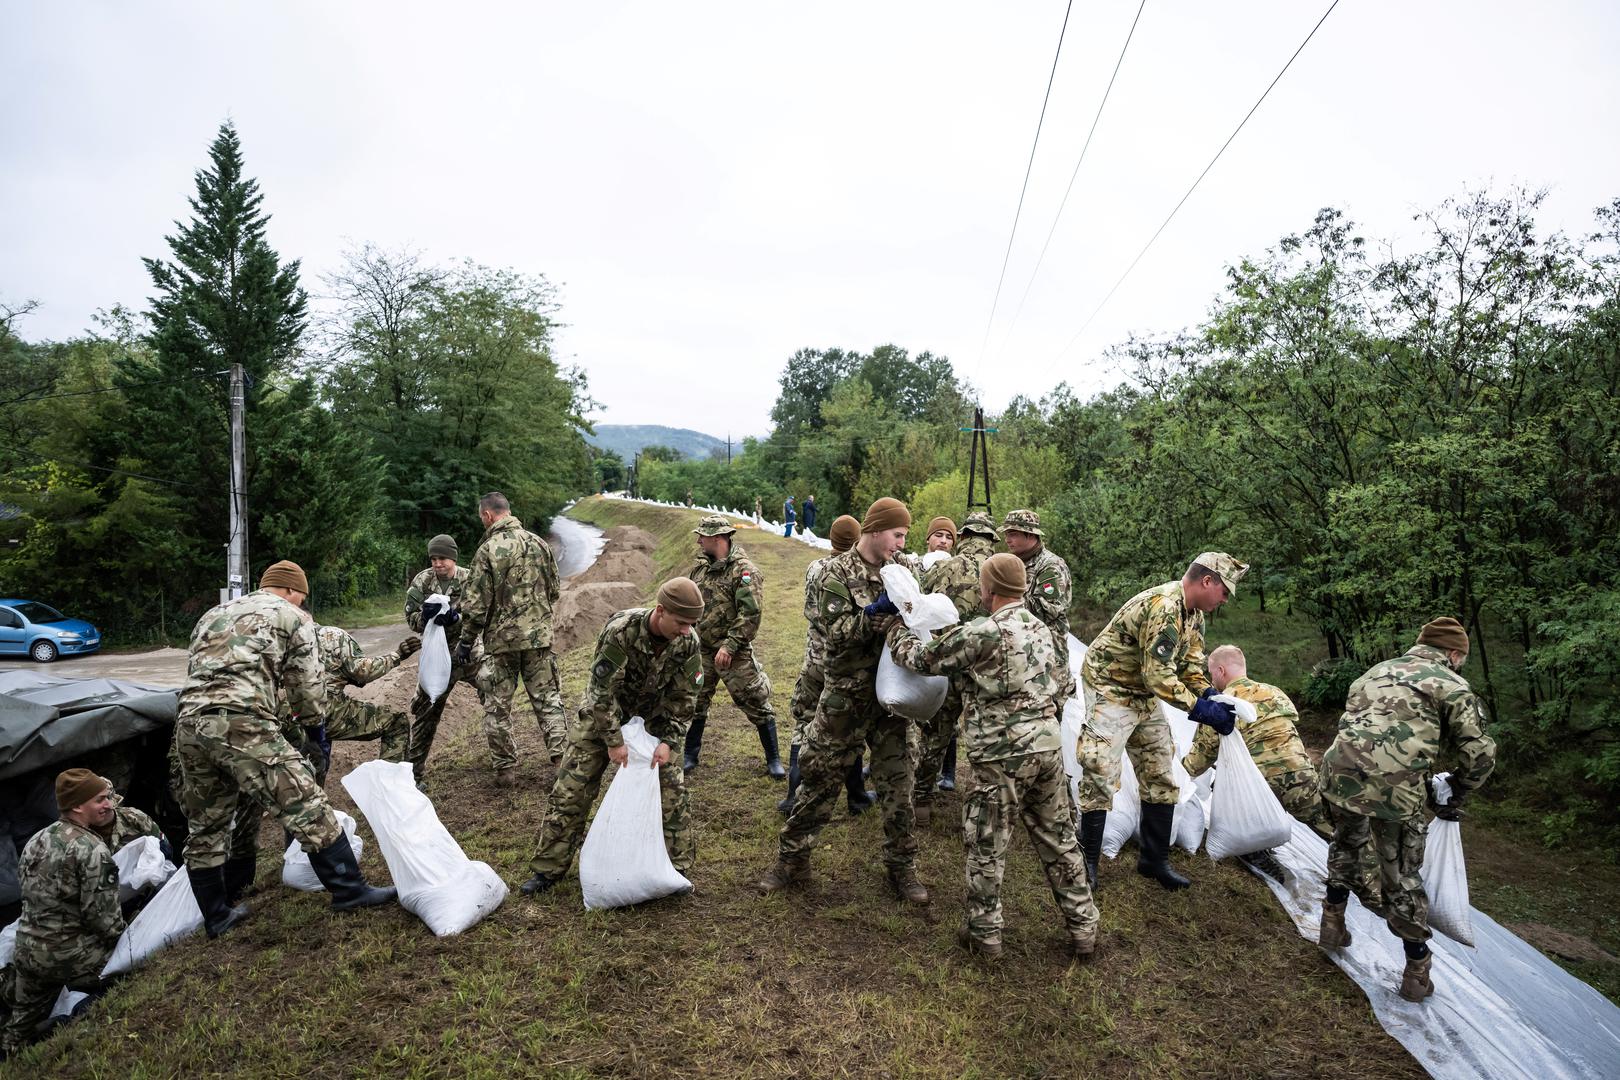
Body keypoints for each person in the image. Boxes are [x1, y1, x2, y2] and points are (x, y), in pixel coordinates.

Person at [888, 554, 1100, 960]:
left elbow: (922, 660)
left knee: (987, 843)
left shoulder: (983, 632)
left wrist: (898, 629)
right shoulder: (1044, 631)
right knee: (1059, 840)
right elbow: (1063, 687)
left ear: (989, 589)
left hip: (999, 755)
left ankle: (985, 935)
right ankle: (1084, 927)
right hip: (1046, 748)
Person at [174, 560, 396, 938]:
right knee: (305, 802)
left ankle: (217, 915)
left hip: (189, 726)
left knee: (207, 825)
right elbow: (306, 685)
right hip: (242, 722)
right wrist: (314, 733)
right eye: (303, 597)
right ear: (293, 592)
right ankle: (350, 890)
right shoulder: (291, 616)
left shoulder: (215, 613)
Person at [756, 497, 928, 905]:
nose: (902, 543)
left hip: (893, 699)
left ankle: (902, 869)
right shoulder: (832, 573)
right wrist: (875, 615)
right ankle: (792, 860)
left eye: (905, 536)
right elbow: (833, 633)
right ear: (874, 529)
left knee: (899, 784)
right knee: (819, 777)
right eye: (897, 534)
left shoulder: (906, 571)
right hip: (845, 696)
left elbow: (918, 621)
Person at [1317, 617, 1496, 1003]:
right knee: (1400, 874)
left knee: (1346, 843)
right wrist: (1457, 789)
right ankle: (1416, 971)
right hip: (1394, 791)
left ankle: (1331, 924)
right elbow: (1479, 754)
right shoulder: (1452, 684)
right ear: (1453, 653)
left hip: (1338, 774)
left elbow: (1356, 724)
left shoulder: (1375, 671)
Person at [518, 578, 706, 894]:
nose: (687, 630)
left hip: (654, 721)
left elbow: (685, 698)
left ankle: (675, 871)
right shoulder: (622, 630)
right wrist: (614, 741)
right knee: (571, 791)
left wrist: (669, 743)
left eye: (692, 623)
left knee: (673, 793)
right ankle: (548, 869)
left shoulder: (688, 642)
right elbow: (600, 691)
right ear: (660, 611)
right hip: (604, 715)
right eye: (682, 622)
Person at [1078, 553, 1248, 891]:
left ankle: (1153, 861)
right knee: (1099, 768)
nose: (1225, 599)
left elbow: (1190, 667)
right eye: (1225, 591)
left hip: (1142, 692)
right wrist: (1200, 710)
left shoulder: (1194, 615)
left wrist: (1212, 697)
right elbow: (1158, 676)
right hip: (1111, 686)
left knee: (1161, 771)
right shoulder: (1165, 607)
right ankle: (1087, 863)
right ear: (1207, 581)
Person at [0, 771, 127, 1055]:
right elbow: (103, 920)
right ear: (78, 806)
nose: (108, 805)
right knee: (128, 975)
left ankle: (9, 1052)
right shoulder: (92, 848)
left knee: (20, 1022)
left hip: (29, 952)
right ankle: (77, 1018)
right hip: (72, 956)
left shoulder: (36, 840)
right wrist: (128, 939)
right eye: (100, 800)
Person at [1181, 644, 1327, 881]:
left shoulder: (1221, 703)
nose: (1210, 679)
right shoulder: (1274, 692)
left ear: (1220, 670)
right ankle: (1368, 869)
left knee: (1223, 787)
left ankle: (1254, 851)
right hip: (1302, 775)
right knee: (1331, 827)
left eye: (1210, 673)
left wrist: (1177, 775)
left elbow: (1201, 758)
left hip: (1260, 784)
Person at [457, 492, 568, 785]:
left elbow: (476, 605)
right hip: (538, 640)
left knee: (497, 707)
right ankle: (560, 762)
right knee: (548, 701)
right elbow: (554, 590)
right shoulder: (540, 544)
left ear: (487, 516)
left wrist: (466, 641)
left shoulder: (487, 550)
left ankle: (506, 770)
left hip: (501, 643)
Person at [779, 515, 873, 817]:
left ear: (831, 540)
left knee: (805, 723)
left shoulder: (815, 567)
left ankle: (793, 795)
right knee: (849, 728)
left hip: (814, 659)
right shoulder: (854, 573)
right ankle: (857, 796)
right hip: (843, 662)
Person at [681, 516, 785, 778]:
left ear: (718, 539)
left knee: (755, 700)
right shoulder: (700, 569)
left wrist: (730, 646)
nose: (698, 540)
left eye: (702, 536)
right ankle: (690, 755)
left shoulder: (744, 571)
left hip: (733, 652)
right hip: (702, 650)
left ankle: (773, 759)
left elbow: (751, 614)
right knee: (695, 701)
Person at [911, 513, 994, 822]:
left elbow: (920, 601)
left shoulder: (945, 565)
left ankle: (921, 799)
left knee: (935, 733)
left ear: (964, 536)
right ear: (991, 540)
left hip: (948, 660)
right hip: (985, 666)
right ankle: (982, 806)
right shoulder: (1001, 570)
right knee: (984, 736)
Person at [404, 534, 493, 784]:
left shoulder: (469, 579)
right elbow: (411, 619)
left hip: (468, 651)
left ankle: (502, 762)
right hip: (437, 656)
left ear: (452, 558)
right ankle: (413, 775)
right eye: (433, 558)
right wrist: (425, 617)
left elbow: (482, 614)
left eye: (442, 558)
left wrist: (457, 620)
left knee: (494, 698)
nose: (437, 563)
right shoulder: (423, 581)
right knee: (425, 712)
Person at [304, 623, 422, 785]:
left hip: (284, 714)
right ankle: (392, 791)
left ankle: (311, 799)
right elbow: (362, 672)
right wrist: (397, 655)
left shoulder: (274, 637)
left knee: (312, 754)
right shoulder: (333, 635)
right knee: (395, 721)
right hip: (324, 709)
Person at [1000, 510, 1075, 709]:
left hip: (1048, 655)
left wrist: (1005, 597)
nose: (1007, 539)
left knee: (1049, 713)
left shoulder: (1050, 565)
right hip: (1021, 651)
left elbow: (1049, 608)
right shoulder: (1013, 563)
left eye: (1013, 534)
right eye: (1006, 534)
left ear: (1031, 535)